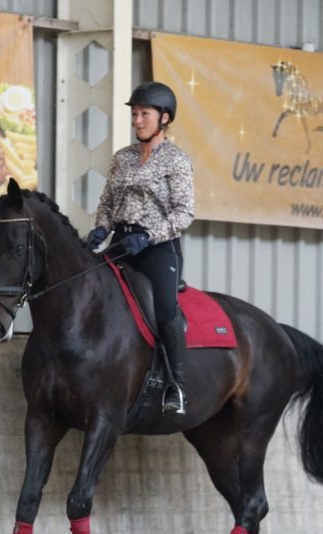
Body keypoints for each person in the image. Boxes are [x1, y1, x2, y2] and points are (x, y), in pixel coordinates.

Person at [86, 81, 195, 415]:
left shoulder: (176, 161)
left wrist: (148, 236)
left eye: (144, 114)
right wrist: (101, 228)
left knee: (163, 308)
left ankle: (177, 384)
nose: (137, 120)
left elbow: (184, 212)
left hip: (158, 247)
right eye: (134, 114)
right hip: (121, 242)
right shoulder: (122, 158)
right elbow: (107, 201)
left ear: (164, 118)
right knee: (91, 294)